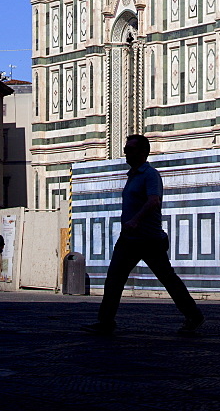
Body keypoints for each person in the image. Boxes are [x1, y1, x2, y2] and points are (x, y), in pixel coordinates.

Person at [84, 134, 204, 335]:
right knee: (114, 278)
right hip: (129, 239)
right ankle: (105, 321)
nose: (125, 153)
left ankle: (194, 315)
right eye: (126, 149)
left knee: (167, 278)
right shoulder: (132, 175)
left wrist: (135, 220)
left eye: (130, 149)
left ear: (142, 152)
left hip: (148, 239)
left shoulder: (150, 175)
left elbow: (154, 200)